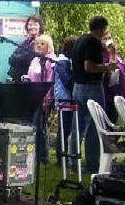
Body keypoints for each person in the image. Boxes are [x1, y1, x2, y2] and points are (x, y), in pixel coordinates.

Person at [71, 15, 114, 173]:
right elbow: (89, 66)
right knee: (94, 125)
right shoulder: (93, 42)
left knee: (78, 126)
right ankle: (92, 163)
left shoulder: (81, 39)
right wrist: (106, 67)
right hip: (91, 86)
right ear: (102, 28)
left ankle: (73, 161)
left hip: (78, 86)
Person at [26, 34, 57, 164]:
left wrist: (47, 99)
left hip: (43, 98)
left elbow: (50, 81)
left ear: (48, 47)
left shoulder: (51, 61)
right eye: (38, 44)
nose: (39, 46)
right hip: (32, 96)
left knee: (40, 126)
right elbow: (30, 75)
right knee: (33, 126)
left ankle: (43, 156)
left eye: (42, 44)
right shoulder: (35, 60)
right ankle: (33, 155)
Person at [53, 36, 76, 164]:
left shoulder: (68, 62)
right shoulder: (62, 62)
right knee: (64, 130)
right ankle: (61, 158)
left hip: (69, 99)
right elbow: (68, 81)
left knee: (69, 129)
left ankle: (67, 156)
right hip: (64, 100)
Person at [7, 14, 45, 82]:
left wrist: (18, 58)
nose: (32, 27)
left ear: (40, 26)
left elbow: (27, 59)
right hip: (17, 79)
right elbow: (11, 60)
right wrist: (18, 59)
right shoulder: (25, 41)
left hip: (31, 80)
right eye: (30, 24)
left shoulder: (42, 42)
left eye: (35, 24)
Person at [101, 31, 125, 122]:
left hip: (119, 94)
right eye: (105, 38)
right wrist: (111, 54)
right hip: (109, 95)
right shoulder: (102, 55)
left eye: (109, 38)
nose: (108, 41)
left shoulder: (115, 53)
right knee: (110, 123)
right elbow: (110, 72)